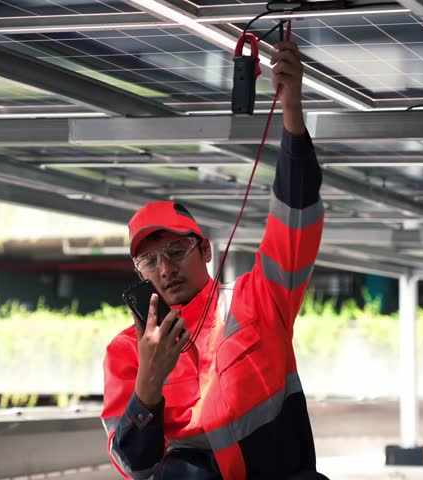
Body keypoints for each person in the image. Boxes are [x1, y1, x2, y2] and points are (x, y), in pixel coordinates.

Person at [101, 40, 327, 480]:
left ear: (205, 250)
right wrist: (148, 383)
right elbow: (132, 466)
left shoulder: (258, 300)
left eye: (175, 250)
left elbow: (296, 219)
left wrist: (292, 115)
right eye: (149, 261)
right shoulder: (127, 350)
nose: (164, 269)